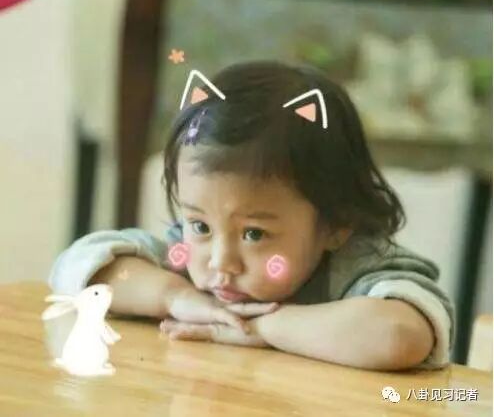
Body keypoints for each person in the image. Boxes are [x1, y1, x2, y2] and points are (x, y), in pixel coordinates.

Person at [48, 61, 455, 371]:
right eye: (200, 225)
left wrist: (259, 327)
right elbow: (78, 267)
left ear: (335, 223)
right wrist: (176, 297)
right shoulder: (186, 261)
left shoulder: (356, 270)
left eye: (254, 234)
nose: (221, 261)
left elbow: (397, 336)